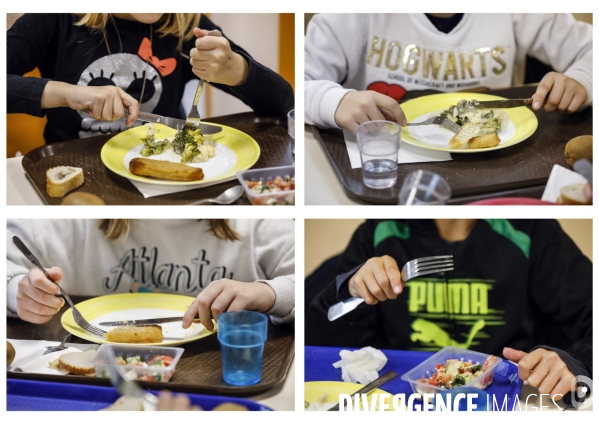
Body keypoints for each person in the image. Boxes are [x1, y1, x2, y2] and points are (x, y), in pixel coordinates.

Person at [306, 219, 591, 402]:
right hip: (395, 398)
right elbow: (317, 342)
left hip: (505, 398)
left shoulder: (534, 231)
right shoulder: (379, 232)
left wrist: (574, 361)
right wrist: (351, 291)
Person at [8, 13, 294, 143]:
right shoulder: (52, 16)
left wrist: (236, 69)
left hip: (164, 161)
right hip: (72, 165)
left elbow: (284, 102)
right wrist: (64, 93)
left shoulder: (188, 25)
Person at [305, 14, 592, 134]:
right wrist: (333, 101)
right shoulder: (350, 15)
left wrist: (583, 79)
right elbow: (296, 89)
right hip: (384, 158)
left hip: (494, 164)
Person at [7, 219, 295, 330]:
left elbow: (307, 288)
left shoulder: (260, 224)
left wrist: (268, 293)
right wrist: (14, 290)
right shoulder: (73, 218)